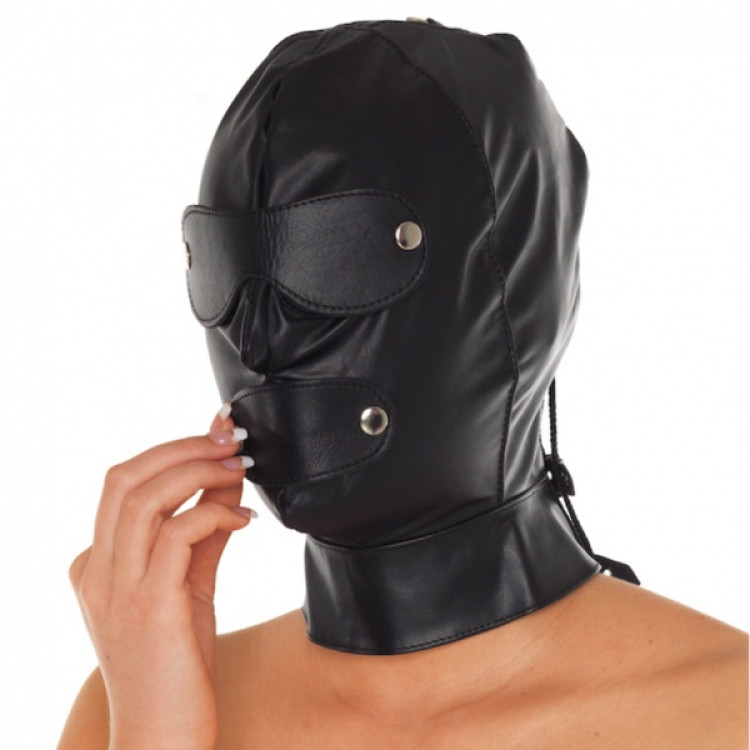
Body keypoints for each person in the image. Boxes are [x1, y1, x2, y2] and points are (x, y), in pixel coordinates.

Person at [58, 17, 748, 749]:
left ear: (522, 290)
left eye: (333, 263)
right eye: (226, 274)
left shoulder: (727, 714)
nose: (258, 342)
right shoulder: (137, 703)